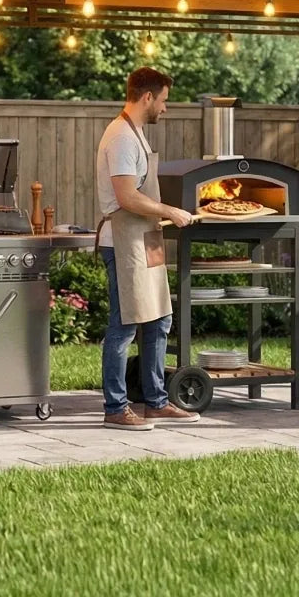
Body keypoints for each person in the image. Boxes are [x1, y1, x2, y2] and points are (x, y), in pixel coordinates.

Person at [95, 67, 197, 430]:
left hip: (145, 238)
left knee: (159, 318)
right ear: (148, 97)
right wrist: (169, 210)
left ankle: (156, 401)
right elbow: (125, 196)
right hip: (123, 242)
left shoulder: (135, 132)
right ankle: (115, 407)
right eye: (165, 100)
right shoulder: (121, 136)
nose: (166, 109)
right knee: (124, 325)